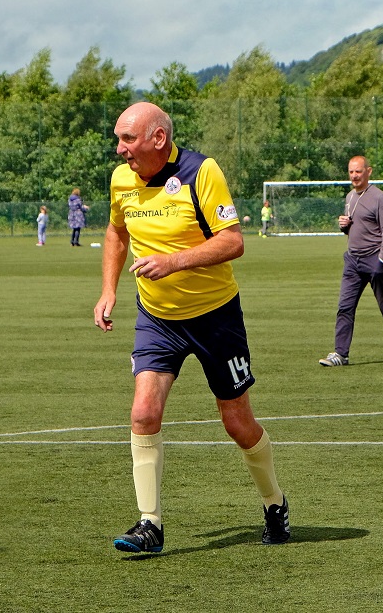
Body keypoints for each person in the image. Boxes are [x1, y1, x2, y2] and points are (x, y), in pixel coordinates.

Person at [93, 102, 290, 553]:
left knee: (237, 422)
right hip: (157, 319)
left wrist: (173, 261)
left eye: (129, 139)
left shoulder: (202, 172)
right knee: (143, 412)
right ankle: (150, 525)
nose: (120, 149)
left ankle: (274, 502)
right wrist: (108, 290)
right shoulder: (121, 180)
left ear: (158, 139)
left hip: (215, 316)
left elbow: (233, 240)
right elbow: (116, 232)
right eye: (119, 139)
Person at [319, 155, 383, 367]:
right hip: (353, 261)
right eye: (351, 172)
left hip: (374, 260)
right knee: (345, 307)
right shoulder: (350, 196)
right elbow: (353, 228)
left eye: (358, 171)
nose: (354, 176)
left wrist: (382, 260)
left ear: (369, 171)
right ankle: (341, 353)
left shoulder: (379, 198)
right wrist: (344, 225)